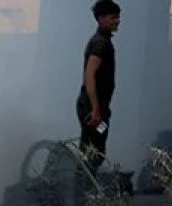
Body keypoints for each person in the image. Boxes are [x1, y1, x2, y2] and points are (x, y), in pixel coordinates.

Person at [76, 1, 121, 186]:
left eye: (117, 17)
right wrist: (95, 109)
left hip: (98, 111)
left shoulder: (104, 42)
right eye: (113, 17)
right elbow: (89, 75)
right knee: (92, 151)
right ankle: (82, 193)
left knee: (96, 147)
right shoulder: (100, 44)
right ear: (101, 18)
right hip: (92, 111)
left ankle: (85, 191)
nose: (117, 21)